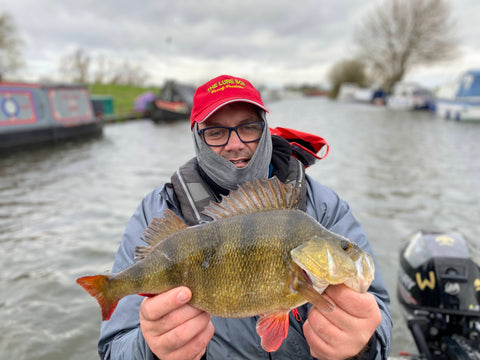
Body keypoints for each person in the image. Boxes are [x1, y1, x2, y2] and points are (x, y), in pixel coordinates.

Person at [98, 75, 392, 359]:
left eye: (248, 128)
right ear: (197, 138)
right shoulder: (157, 211)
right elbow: (114, 349)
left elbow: (379, 313)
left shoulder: (324, 208)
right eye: (215, 132)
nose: (235, 144)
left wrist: (361, 348)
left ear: (265, 129)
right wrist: (153, 350)